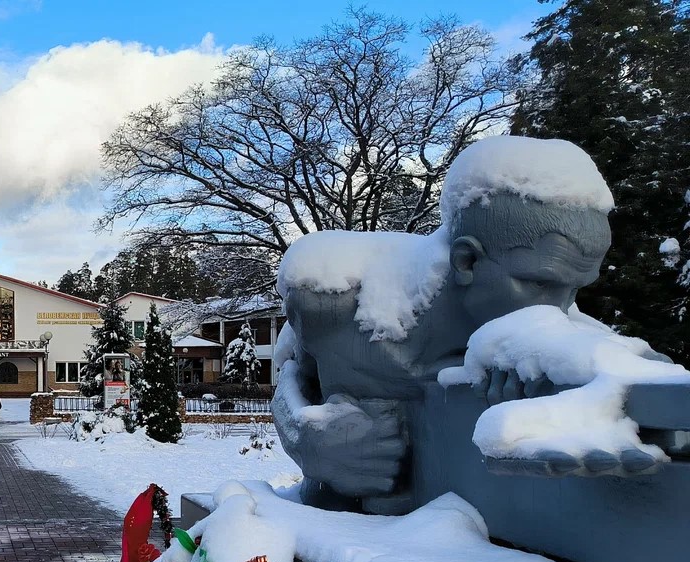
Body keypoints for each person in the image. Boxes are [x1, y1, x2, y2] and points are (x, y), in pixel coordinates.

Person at [272, 136, 660, 513]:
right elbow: (288, 372)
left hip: (473, 550)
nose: (560, 310)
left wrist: (642, 384)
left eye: (576, 289)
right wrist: (306, 440)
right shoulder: (335, 299)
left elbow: (615, 362)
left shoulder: (555, 336)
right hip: (338, 537)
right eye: (540, 283)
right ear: (467, 262)